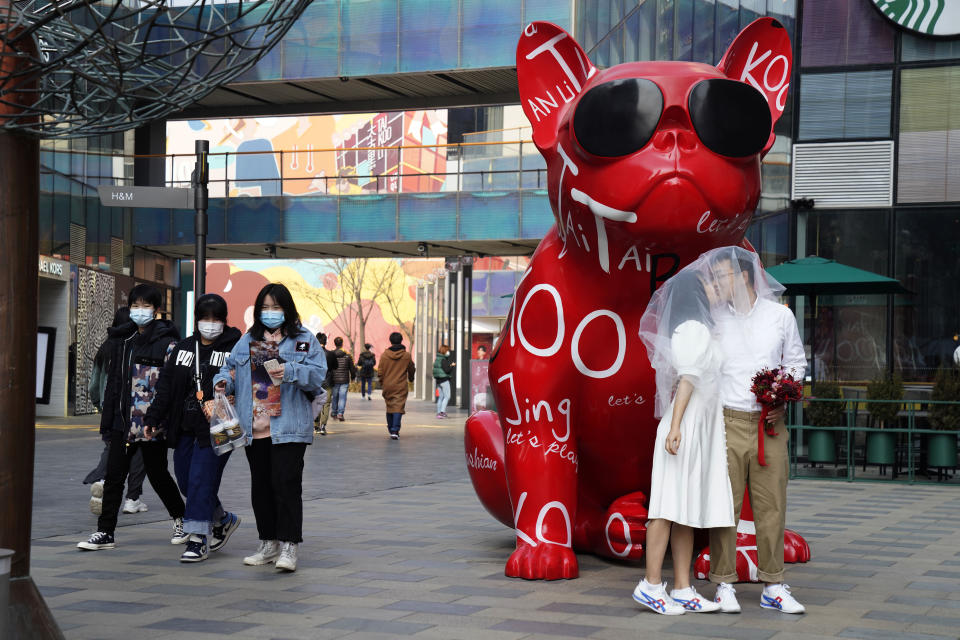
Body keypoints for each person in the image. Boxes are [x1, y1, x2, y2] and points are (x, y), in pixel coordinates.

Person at [706, 246, 807, 614]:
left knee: (771, 507)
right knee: (724, 507)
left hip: (771, 423)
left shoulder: (780, 317)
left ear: (745, 276)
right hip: (726, 421)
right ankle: (723, 584)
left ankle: (773, 584)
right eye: (715, 277)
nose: (717, 282)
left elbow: (796, 363)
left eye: (722, 276)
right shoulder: (715, 320)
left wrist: (783, 392)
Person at [633, 266, 732, 615]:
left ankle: (682, 587)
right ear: (695, 291)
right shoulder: (691, 329)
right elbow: (688, 379)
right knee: (666, 506)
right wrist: (676, 426)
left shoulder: (701, 328)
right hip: (685, 425)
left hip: (697, 425)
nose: (714, 286)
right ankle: (650, 584)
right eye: (708, 282)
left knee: (685, 510)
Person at [214, 283, 325, 572]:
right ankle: (268, 543)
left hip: (288, 428)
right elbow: (228, 368)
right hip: (255, 429)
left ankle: (289, 547)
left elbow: (317, 376)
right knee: (261, 487)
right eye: (265, 307)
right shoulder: (247, 340)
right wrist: (221, 381)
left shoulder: (303, 340)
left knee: (286, 485)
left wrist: (289, 371)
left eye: (276, 307)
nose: (270, 313)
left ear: (287, 309)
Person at [78, 284, 186, 551]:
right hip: (122, 423)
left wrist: (157, 419)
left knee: (158, 474)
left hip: (151, 425)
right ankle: (105, 532)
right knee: (115, 477)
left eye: (145, 305)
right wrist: (109, 421)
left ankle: (182, 518)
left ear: (156, 310)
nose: (139, 310)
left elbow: (168, 387)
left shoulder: (168, 344)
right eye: (135, 305)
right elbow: (114, 383)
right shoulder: (122, 341)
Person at [144, 294, 243, 562]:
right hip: (185, 426)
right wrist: (152, 418)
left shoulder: (236, 346)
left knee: (201, 477)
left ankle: (199, 538)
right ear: (196, 319)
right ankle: (222, 519)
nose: (210, 324)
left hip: (220, 423)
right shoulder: (184, 348)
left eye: (216, 319)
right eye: (205, 318)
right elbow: (165, 386)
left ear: (224, 320)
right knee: (187, 480)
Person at [84, 307, 149, 517]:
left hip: (110, 411)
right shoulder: (136, 346)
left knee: (112, 448)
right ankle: (132, 498)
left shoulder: (105, 348)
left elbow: (94, 384)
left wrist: (99, 404)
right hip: (134, 409)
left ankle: (103, 479)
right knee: (138, 454)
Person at [378, 332, 416, 440]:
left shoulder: (385, 355)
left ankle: (391, 428)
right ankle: (395, 430)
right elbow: (411, 369)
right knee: (398, 407)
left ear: (390, 341)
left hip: (387, 385)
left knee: (389, 406)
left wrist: (382, 382)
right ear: (401, 341)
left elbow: (380, 371)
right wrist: (411, 378)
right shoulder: (406, 355)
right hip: (400, 385)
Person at [313, 332, 337, 436]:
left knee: (316, 402)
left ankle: (316, 425)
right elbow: (335, 366)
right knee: (326, 404)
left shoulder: (312, 354)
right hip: (327, 381)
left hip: (315, 382)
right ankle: (323, 426)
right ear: (325, 341)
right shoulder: (331, 354)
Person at [329, 336, 356, 421]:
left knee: (335, 396)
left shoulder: (331, 355)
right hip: (344, 380)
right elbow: (352, 368)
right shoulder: (347, 356)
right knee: (342, 397)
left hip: (334, 379)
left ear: (334, 343)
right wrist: (353, 377)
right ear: (342, 344)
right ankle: (340, 413)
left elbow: (329, 367)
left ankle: (334, 412)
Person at [432, 345, 455, 419]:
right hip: (444, 380)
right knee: (447, 396)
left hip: (438, 381)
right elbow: (447, 370)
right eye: (448, 350)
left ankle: (439, 413)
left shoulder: (437, 359)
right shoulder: (443, 360)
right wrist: (451, 365)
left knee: (441, 397)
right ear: (445, 351)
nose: (448, 352)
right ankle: (442, 412)